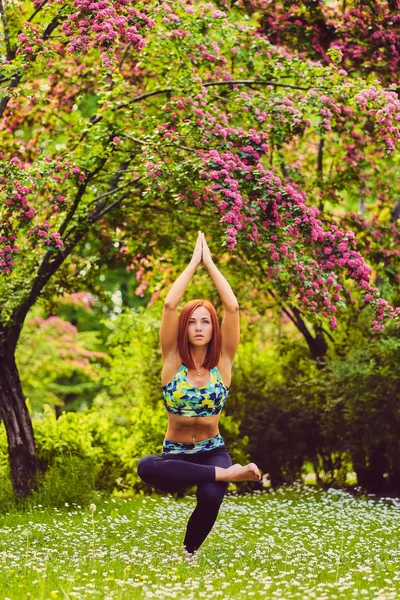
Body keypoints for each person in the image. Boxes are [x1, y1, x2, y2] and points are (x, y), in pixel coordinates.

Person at [137, 231, 261, 555]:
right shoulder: (172, 361)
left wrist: (211, 263)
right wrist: (193, 263)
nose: (199, 327)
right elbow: (169, 304)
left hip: (211, 450)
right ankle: (227, 475)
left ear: (213, 328)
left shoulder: (223, 363)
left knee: (209, 496)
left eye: (206, 321)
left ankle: (188, 553)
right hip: (175, 454)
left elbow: (232, 308)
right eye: (192, 322)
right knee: (146, 466)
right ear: (185, 328)